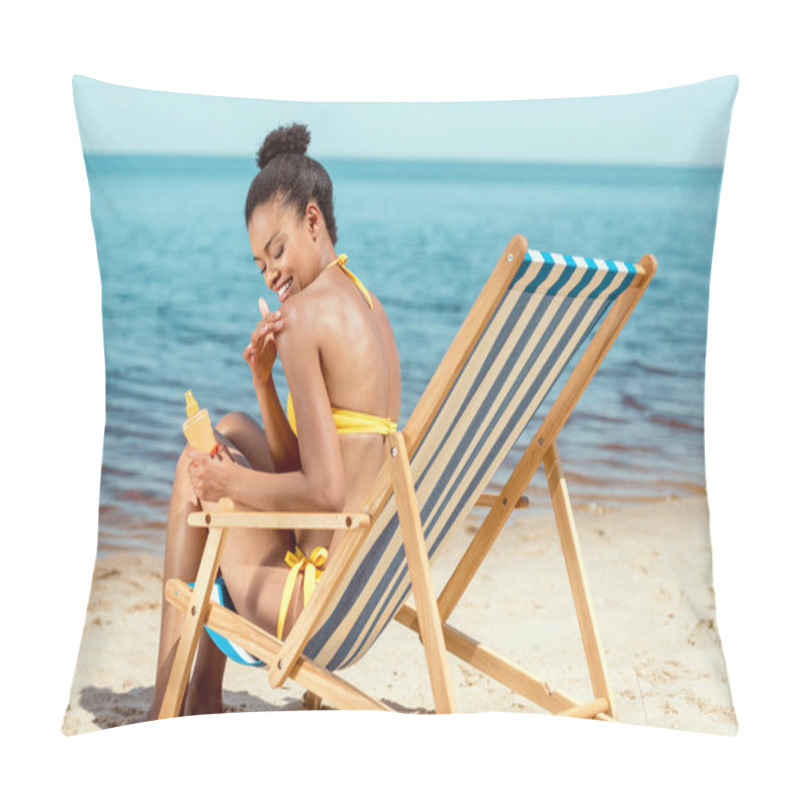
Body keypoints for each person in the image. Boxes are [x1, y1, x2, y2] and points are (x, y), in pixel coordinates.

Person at [147, 123, 401, 719]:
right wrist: (265, 383)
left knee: (197, 468)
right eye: (260, 263)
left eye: (279, 250)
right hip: (360, 587)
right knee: (233, 425)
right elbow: (309, 467)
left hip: (310, 599)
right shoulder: (366, 302)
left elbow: (322, 490)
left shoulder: (305, 318)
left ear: (314, 221)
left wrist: (225, 484)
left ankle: (165, 710)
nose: (271, 275)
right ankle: (202, 695)